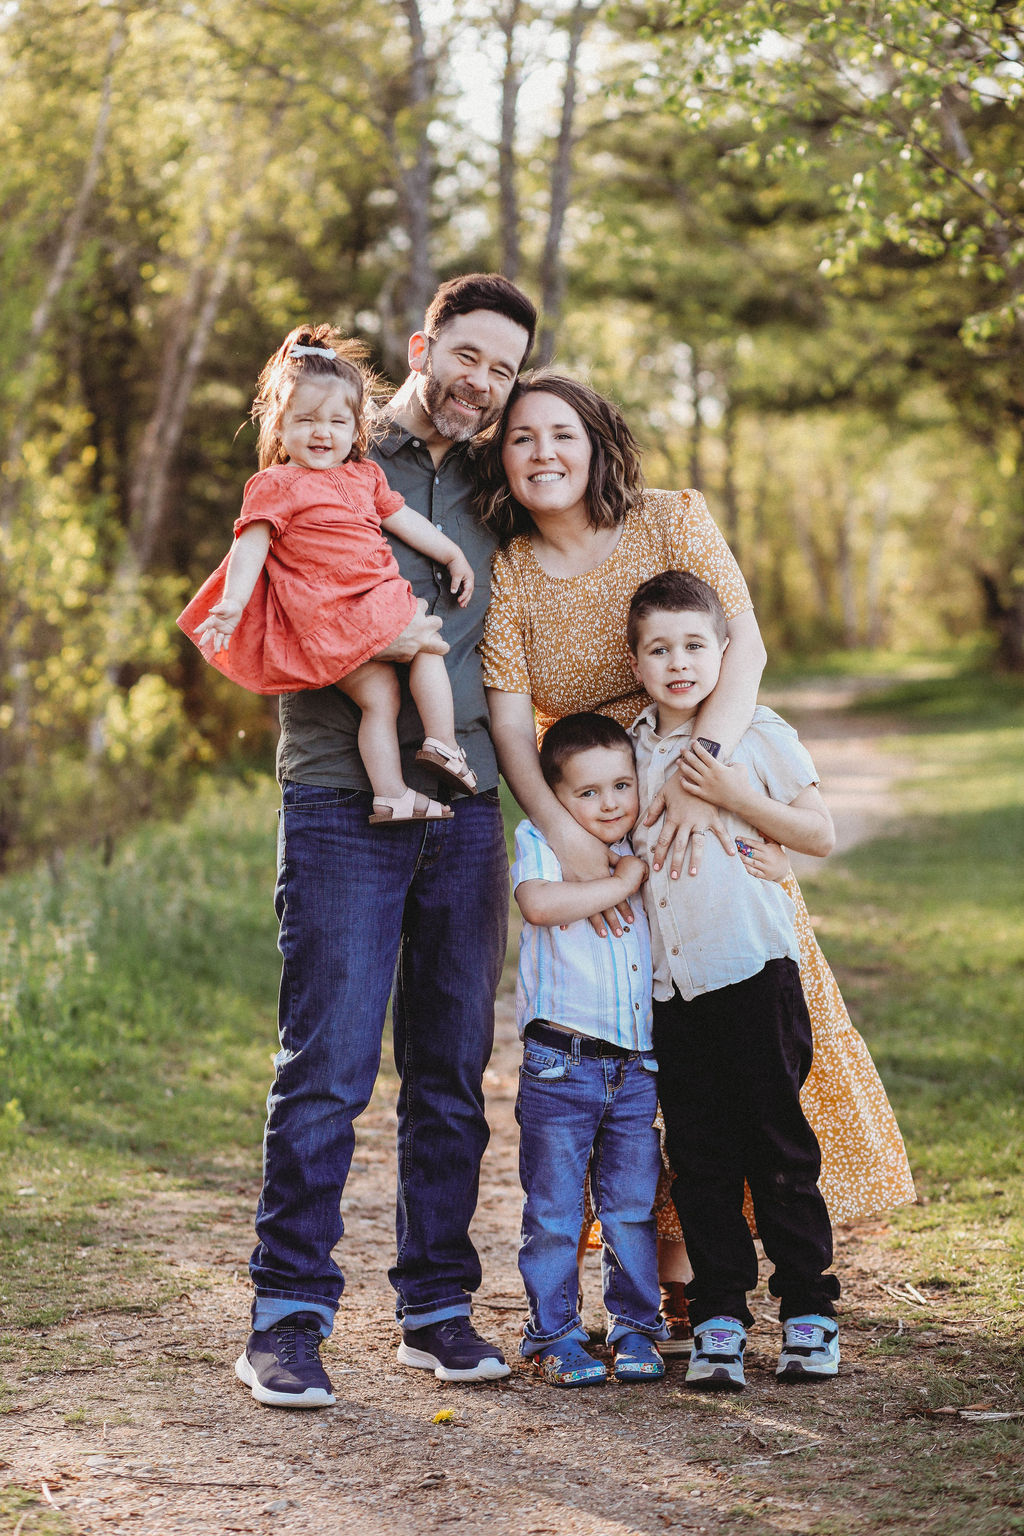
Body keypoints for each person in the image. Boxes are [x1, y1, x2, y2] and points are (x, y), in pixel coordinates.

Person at [478, 371, 915, 1338]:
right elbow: (512, 726)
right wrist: (564, 833)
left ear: (597, 442)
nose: (544, 453)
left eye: (564, 433)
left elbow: (742, 644)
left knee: (759, 1077)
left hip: (709, 794)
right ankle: (689, 1279)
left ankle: (780, 1289)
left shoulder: (671, 517)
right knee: (652, 1068)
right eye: (520, 439)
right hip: (602, 810)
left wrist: (704, 771)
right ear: (502, 459)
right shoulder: (509, 568)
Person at [233, 275, 537, 1408]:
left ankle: (435, 1310)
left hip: (465, 809)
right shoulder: (325, 451)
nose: (481, 383)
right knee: (327, 1069)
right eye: (467, 356)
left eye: (502, 369)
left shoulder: (497, 479)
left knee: (454, 1071)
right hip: (336, 798)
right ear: (424, 346)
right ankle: (286, 1318)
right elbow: (266, 600)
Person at [627, 570, 842, 1389]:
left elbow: (818, 834)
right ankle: (719, 1315)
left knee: (779, 1151)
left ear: (725, 651)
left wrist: (739, 796)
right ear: (637, 661)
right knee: (700, 1160)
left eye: (693, 645)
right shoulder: (635, 747)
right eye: (658, 648)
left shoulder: (757, 732)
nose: (678, 663)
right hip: (673, 995)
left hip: (755, 976)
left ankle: (811, 1311)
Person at [177, 325, 477, 823]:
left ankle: (391, 794)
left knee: (380, 697)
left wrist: (452, 555)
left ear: (356, 427)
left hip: (360, 609)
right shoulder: (276, 484)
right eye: (307, 420)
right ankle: (444, 742)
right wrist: (231, 602)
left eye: (338, 422)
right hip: (332, 612)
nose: (323, 433)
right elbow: (250, 544)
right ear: (279, 425)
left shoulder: (364, 475)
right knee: (429, 640)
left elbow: (403, 519)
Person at [511, 712, 667, 1387]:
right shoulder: (543, 838)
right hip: (562, 1060)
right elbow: (541, 906)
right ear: (557, 797)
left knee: (631, 1205)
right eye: (588, 793)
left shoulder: (644, 840)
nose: (609, 805)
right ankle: (554, 1334)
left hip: (635, 1065)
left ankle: (636, 1328)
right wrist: (624, 882)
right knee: (553, 1210)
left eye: (621, 786)